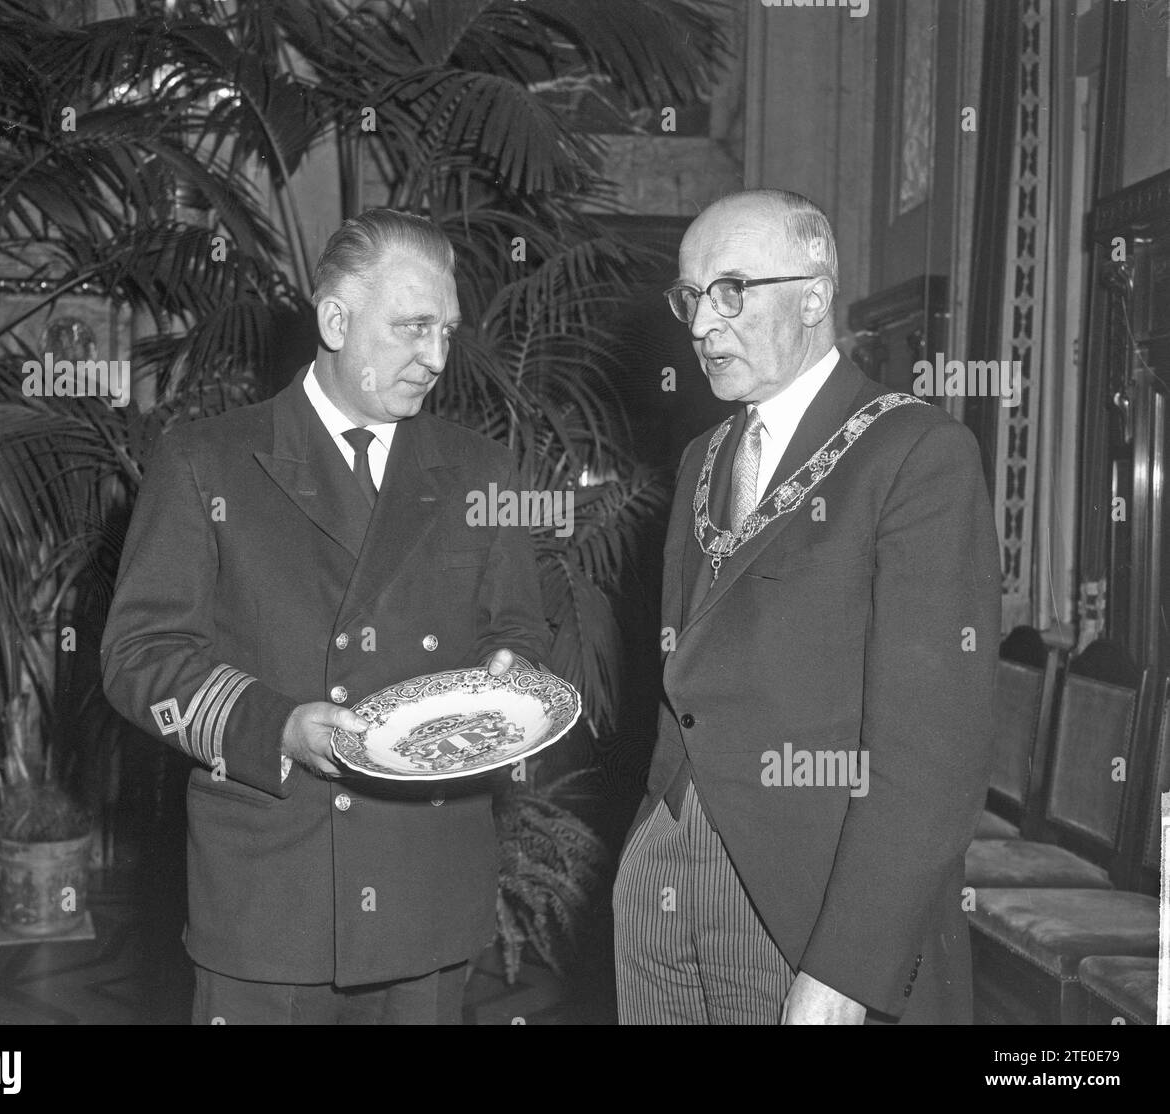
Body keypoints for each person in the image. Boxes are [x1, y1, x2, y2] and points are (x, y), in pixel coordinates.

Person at [101, 208, 549, 1024]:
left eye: (446, 331)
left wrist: (509, 682)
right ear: (335, 319)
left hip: (426, 883)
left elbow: (517, 630)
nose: (437, 358)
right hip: (271, 892)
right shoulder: (206, 461)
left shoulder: (482, 470)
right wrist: (276, 726)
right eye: (413, 327)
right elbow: (139, 655)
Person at [612, 189, 1001, 1024]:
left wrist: (849, 970)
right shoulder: (702, 457)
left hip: (806, 900)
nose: (703, 324)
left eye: (731, 290)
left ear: (816, 295)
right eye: (690, 297)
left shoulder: (916, 453)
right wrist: (651, 843)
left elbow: (932, 751)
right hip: (665, 870)